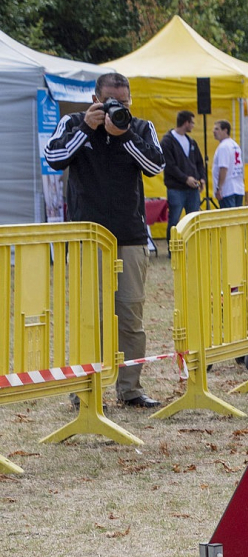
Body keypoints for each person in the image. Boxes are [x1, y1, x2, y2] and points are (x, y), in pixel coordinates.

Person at [44, 72, 165, 408]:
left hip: (129, 235)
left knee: (130, 314)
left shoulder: (138, 127)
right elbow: (55, 159)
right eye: (111, 101)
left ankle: (130, 389)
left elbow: (155, 166)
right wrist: (87, 127)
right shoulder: (73, 123)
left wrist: (122, 134)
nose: (117, 107)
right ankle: (84, 390)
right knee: (90, 316)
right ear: (95, 99)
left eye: (123, 102)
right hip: (87, 237)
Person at [161, 110, 206, 241]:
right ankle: (173, 249)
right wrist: (185, 179)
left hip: (192, 190)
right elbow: (170, 166)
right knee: (174, 220)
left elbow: (199, 162)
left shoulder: (191, 142)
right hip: (176, 189)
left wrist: (202, 178)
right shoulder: (167, 142)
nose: (193, 125)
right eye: (192, 122)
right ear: (186, 123)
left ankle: (193, 247)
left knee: (194, 221)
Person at [212, 119, 245, 208]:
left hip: (227, 189)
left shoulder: (223, 147)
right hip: (238, 187)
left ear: (225, 130)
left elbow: (223, 168)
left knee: (229, 218)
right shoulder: (234, 144)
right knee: (236, 217)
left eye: (217, 129)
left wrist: (219, 188)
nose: (214, 132)